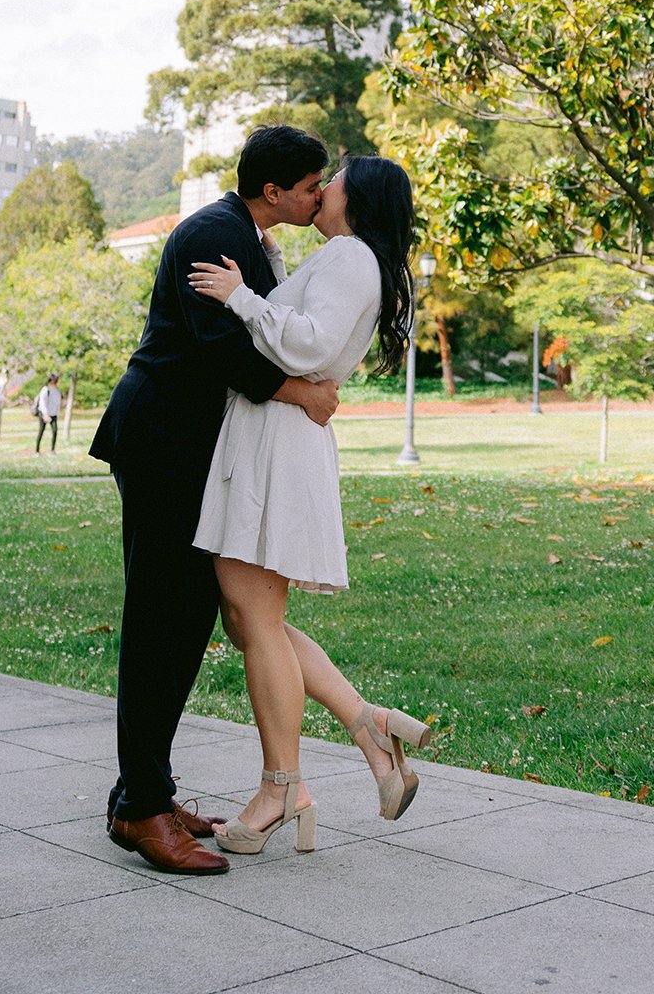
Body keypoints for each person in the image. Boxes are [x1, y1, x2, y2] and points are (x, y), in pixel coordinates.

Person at [88, 124, 335, 877]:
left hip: (193, 452)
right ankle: (139, 812)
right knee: (161, 623)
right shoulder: (213, 234)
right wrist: (302, 393)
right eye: (310, 187)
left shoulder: (246, 235)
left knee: (185, 623)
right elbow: (221, 346)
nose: (319, 196)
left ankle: (148, 792)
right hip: (164, 444)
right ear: (274, 192)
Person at [188, 154, 433, 857]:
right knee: (249, 620)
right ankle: (368, 727)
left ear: (357, 200)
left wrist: (240, 296)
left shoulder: (353, 257)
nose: (322, 189)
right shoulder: (347, 258)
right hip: (275, 437)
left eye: (336, 180)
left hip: (278, 443)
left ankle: (282, 787)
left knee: (253, 618)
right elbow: (302, 324)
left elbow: (311, 344)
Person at [34, 373, 61, 453]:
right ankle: (37, 451)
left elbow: (57, 403)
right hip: (44, 414)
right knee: (41, 431)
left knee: (55, 431)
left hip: (53, 414)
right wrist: (45, 415)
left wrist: (56, 412)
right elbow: (43, 403)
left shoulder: (57, 391)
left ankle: (53, 450)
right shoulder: (45, 390)